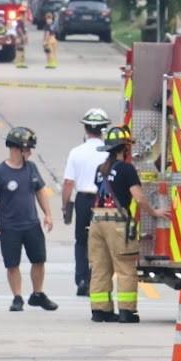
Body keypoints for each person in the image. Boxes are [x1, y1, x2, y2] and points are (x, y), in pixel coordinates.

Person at [88, 126, 171, 323]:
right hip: (117, 222)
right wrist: (155, 212)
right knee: (125, 267)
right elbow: (139, 198)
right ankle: (126, 311)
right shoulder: (126, 169)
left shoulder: (100, 169)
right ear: (124, 148)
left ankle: (100, 310)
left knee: (100, 267)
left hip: (96, 221)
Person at [0, 127, 58, 312]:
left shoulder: (31, 168)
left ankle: (38, 294)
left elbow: (40, 191)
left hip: (31, 224)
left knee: (39, 259)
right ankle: (17, 296)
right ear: (16, 149)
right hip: (10, 226)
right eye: (27, 149)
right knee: (12, 264)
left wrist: (48, 214)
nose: (30, 153)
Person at [62, 109, 111, 298]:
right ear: (103, 129)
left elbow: (68, 183)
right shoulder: (108, 152)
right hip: (103, 200)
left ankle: (82, 280)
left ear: (85, 128)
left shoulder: (76, 152)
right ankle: (98, 280)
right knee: (103, 242)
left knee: (82, 242)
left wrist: (66, 205)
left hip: (83, 199)